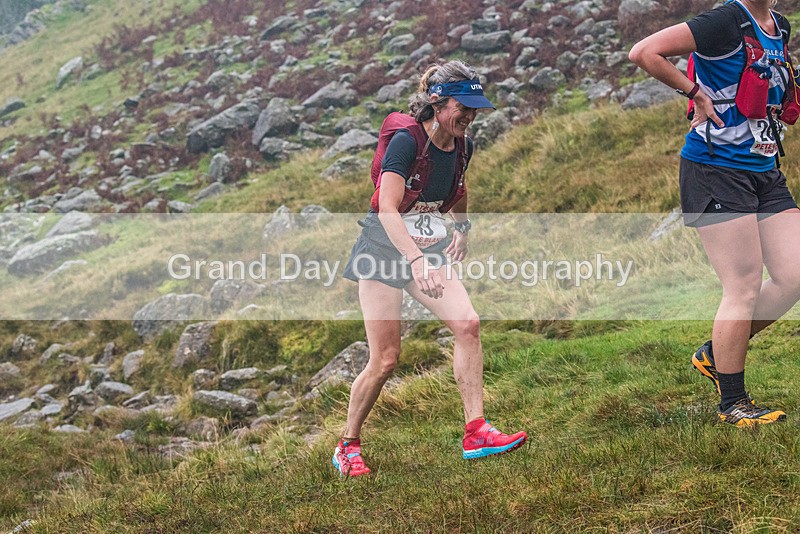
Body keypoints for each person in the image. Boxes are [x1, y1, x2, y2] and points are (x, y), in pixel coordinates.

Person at [332, 60, 527, 476]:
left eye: (475, 108)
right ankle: (347, 444)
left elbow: (458, 190)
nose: (470, 116)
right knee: (385, 359)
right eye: (463, 106)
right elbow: (387, 208)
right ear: (437, 103)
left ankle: (476, 431)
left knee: (468, 324)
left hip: (428, 246)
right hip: (383, 250)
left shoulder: (463, 145)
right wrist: (416, 260)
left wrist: (463, 229)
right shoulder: (406, 142)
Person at [630, 0, 800, 427]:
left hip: (764, 169)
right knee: (741, 286)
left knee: (795, 274)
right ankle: (733, 403)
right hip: (715, 167)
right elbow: (644, 52)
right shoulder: (724, 21)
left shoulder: (779, 25)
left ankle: (714, 353)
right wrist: (693, 92)